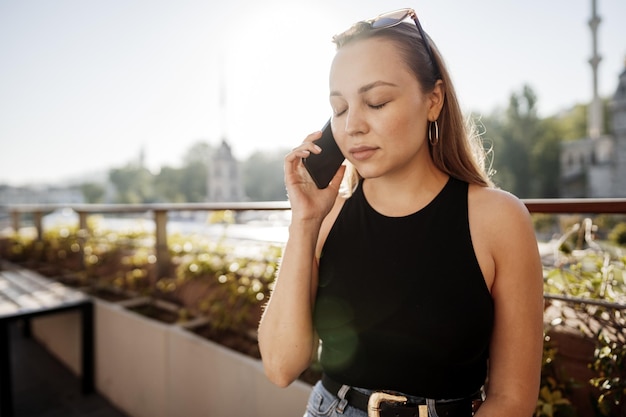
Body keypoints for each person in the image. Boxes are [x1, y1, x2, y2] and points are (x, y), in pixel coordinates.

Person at [257, 8, 543, 417]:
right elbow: (281, 367)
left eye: (376, 101)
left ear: (433, 100)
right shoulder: (326, 220)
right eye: (339, 109)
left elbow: (513, 399)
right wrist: (303, 222)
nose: (352, 125)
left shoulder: (498, 220)